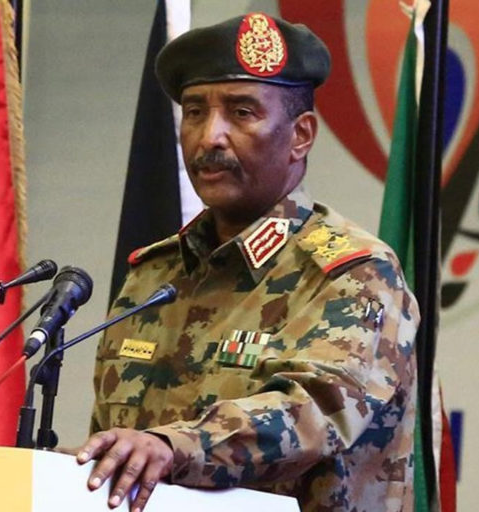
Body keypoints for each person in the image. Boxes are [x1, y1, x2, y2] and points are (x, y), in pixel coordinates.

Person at [75, 13, 419, 512]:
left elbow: (312, 411)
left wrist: (173, 446)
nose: (209, 137)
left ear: (301, 136)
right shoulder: (153, 276)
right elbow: (116, 452)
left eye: (241, 113)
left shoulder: (354, 273)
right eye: (195, 112)